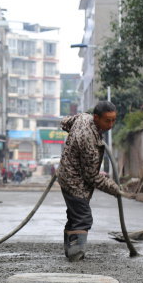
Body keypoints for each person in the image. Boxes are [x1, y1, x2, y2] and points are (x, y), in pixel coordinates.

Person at [56, 100, 124, 262]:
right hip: (74, 182)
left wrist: (72, 141)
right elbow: (92, 176)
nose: (111, 124)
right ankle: (75, 254)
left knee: (75, 215)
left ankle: (70, 250)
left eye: (114, 120)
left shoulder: (82, 118)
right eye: (107, 120)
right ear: (96, 118)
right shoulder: (89, 141)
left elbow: (65, 122)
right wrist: (115, 189)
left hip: (66, 173)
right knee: (83, 217)